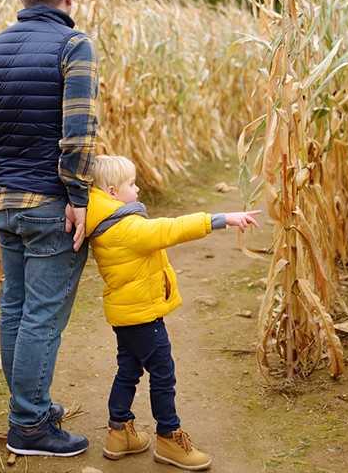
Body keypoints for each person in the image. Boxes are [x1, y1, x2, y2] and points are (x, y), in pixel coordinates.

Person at [0, 0, 98, 457]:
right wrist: (78, 196)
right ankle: (28, 425)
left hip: (4, 200)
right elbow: (78, 133)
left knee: (16, 309)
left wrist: (4, 183)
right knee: (42, 316)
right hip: (50, 203)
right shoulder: (74, 45)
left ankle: (30, 407)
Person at [85, 155, 260, 471]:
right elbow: (172, 229)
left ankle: (119, 433)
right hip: (143, 316)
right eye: (131, 184)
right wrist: (221, 218)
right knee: (162, 373)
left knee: (129, 369)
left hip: (126, 316)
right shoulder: (127, 228)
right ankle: (168, 436)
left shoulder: (103, 223)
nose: (137, 190)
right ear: (112, 191)